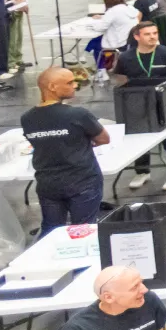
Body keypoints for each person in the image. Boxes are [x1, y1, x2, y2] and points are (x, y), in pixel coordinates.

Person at [21, 66, 111, 230]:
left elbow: (39, 143)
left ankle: (46, 254)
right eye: (69, 83)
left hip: (48, 183)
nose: (75, 86)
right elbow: (104, 138)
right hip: (82, 182)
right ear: (52, 87)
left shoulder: (27, 118)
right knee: (84, 230)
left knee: (51, 230)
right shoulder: (77, 115)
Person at [114, 20, 166, 191]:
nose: (153, 37)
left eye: (155, 33)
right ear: (137, 37)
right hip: (136, 103)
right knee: (137, 137)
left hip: (164, 103)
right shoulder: (126, 57)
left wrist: (165, 90)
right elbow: (121, 78)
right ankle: (142, 172)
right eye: (148, 34)